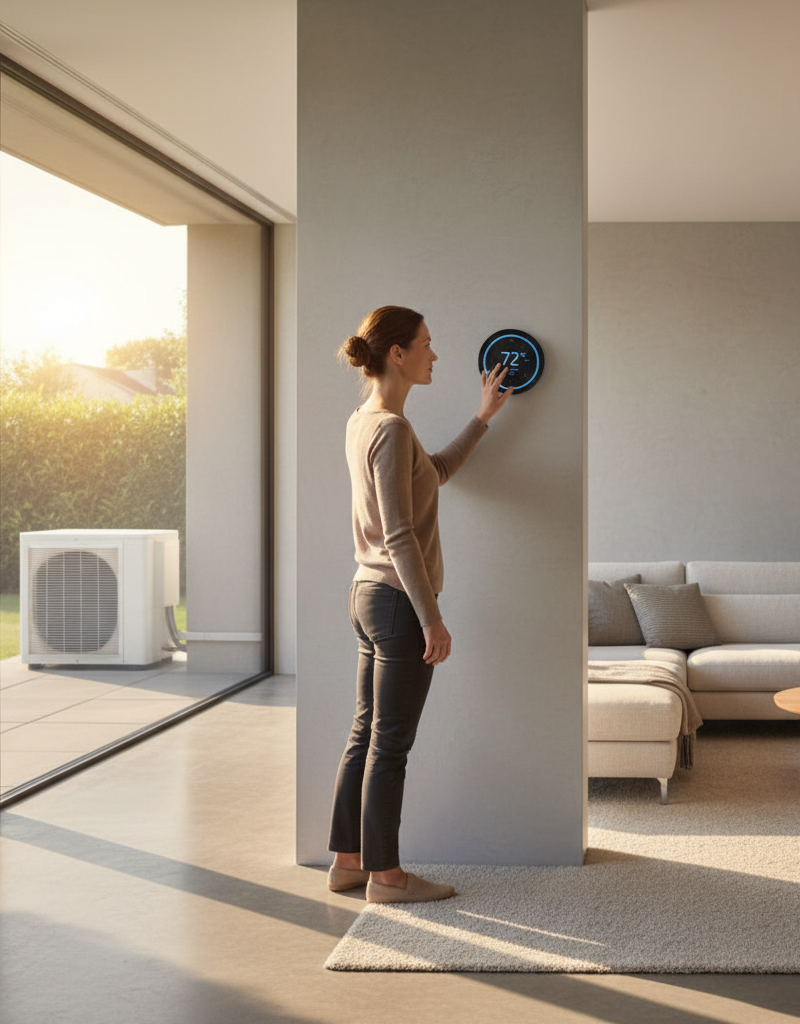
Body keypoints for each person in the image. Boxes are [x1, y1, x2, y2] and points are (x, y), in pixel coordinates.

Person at [327, 305, 512, 904]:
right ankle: (387, 877)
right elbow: (400, 533)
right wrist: (431, 615)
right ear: (397, 354)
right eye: (427, 344)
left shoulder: (366, 421)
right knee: (390, 745)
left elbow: (433, 472)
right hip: (398, 602)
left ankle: (349, 862)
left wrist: (482, 418)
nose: (435, 355)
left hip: (367, 594)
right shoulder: (391, 428)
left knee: (366, 734)